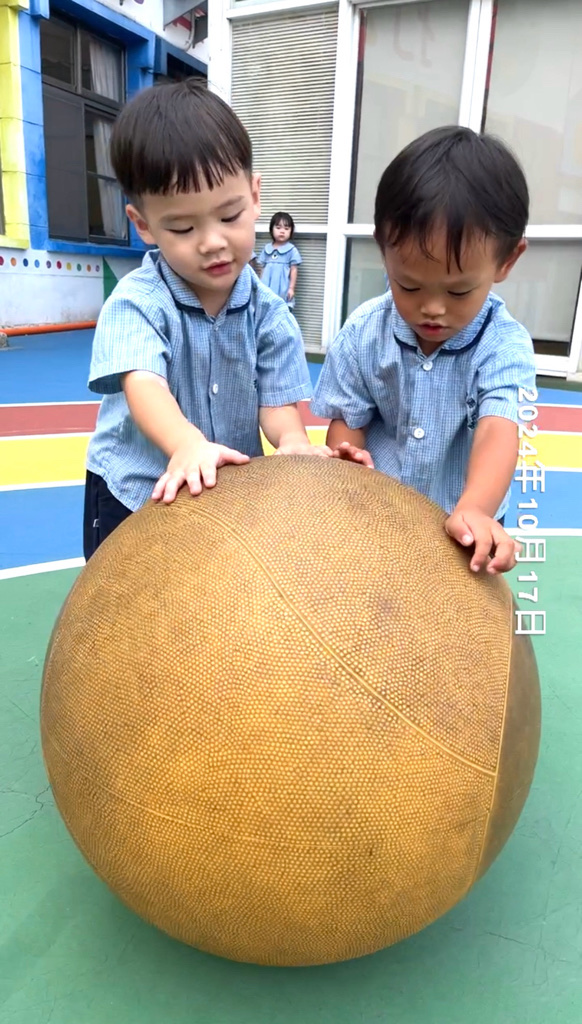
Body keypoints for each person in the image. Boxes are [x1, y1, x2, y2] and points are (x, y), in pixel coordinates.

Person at [84, 80, 328, 561]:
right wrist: (186, 443)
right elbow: (144, 384)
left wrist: (293, 441)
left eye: (230, 216)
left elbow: (276, 404)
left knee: (214, 594)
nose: (212, 242)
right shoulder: (138, 302)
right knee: (123, 594)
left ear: (254, 196)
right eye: (183, 227)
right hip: (136, 490)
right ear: (144, 224)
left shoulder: (269, 313)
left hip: (226, 493)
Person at [312, 125, 537, 576]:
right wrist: (346, 459)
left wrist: (476, 509)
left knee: (459, 615)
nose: (432, 309)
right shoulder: (364, 333)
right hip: (378, 515)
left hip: (461, 525)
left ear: (507, 261)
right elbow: (348, 423)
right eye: (409, 286)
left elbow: (498, 430)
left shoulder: (503, 345)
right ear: (384, 252)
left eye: (458, 291)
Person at [257, 213, 302, 310]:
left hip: (282, 288)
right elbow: (262, 269)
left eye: (286, 229)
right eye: (278, 228)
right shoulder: (267, 249)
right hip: (267, 286)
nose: (282, 231)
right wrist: (260, 285)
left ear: (291, 231)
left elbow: (294, 270)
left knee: (281, 310)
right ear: (271, 229)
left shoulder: (291, 250)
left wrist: (291, 288)